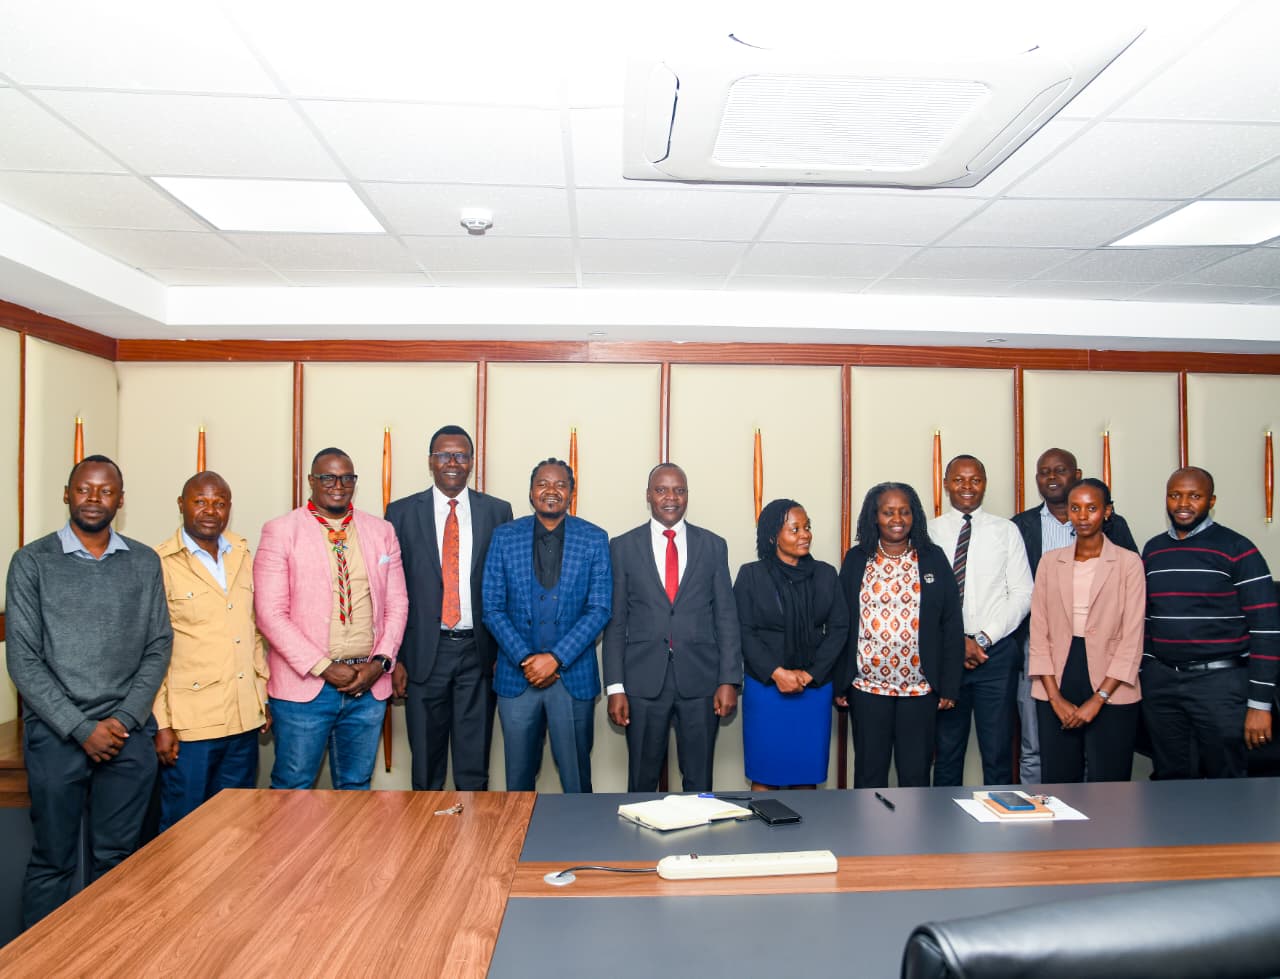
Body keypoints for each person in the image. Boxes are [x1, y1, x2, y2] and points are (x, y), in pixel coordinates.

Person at [5, 455, 172, 927]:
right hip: (57, 737)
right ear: (67, 494)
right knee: (52, 862)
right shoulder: (31, 562)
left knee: (119, 862)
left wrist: (121, 721)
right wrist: (81, 728)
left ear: (120, 499)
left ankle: (107, 961)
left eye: (105, 491)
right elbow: (23, 659)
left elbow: (159, 645)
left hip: (127, 736)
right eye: (84, 489)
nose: (94, 499)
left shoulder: (143, 561)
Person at [253, 447, 408, 790]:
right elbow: (269, 614)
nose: (338, 485)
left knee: (356, 788)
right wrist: (323, 667)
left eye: (347, 477)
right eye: (328, 477)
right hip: (305, 688)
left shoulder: (381, 531)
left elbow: (397, 604)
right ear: (312, 481)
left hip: (367, 687)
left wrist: (381, 663)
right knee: (294, 788)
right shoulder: (281, 531)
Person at [386, 425, 513, 791]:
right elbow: (390, 591)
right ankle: (426, 845)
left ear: (471, 462)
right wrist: (397, 658)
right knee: (426, 764)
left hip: (480, 651)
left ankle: (474, 844)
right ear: (431, 461)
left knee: (474, 764)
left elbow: (507, 586)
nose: (453, 462)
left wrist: (503, 651)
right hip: (425, 652)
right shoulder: (401, 513)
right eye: (444, 455)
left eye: (461, 455)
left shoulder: (497, 511)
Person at [603, 463, 742, 791]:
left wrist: (728, 680)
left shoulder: (713, 545)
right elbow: (616, 621)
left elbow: (726, 617)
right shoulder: (622, 547)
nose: (671, 497)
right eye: (662, 490)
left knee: (699, 780)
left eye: (679, 490)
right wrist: (615, 687)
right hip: (642, 682)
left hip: (701, 682)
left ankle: (698, 844)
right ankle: (636, 843)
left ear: (687, 496)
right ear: (648, 495)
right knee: (641, 779)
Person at [1140, 466, 1279, 779]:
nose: (1183, 503)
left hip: (1220, 684)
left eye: (1194, 496)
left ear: (1211, 501)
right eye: (1175, 495)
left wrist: (1260, 705)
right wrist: (1146, 669)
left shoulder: (1238, 549)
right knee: (1169, 779)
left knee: (1225, 780)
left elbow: (1266, 629)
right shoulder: (1154, 550)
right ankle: (1172, 832)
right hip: (1162, 684)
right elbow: (1146, 617)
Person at [483, 458, 611, 792]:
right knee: (518, 781)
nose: (551, 491)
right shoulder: (504, 537)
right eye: (542, 483)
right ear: (530, 491)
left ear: (571, 492)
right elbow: (492, 608)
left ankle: (581, 844)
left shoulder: (594, 538)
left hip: (573, 678)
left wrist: (555, 658)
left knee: (576, 781)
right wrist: (527, 660)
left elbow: (599, 609)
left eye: (560, 484)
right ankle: (519, 845)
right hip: (516, 678)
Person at [1011, 448, 1138, 783]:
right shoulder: (1050, 562)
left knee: (1108, 783)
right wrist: (1055, 698)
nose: (1083, 516)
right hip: (1056, 675)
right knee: (1058, 780)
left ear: (1106, 512)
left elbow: (1132, 636)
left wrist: (1099, 700)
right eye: (1076, 508)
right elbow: (1039, 633)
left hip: (1112, 681)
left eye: (1092, 508)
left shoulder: (1128, 562)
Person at [153, 471, 269, 830]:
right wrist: (162, 723)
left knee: (237, 829)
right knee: (184, 830)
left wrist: (262, 697)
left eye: (219, 503)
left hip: (242, 719)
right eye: (200, 501)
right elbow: (152, 649)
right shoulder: (159, 563)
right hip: (191, 728)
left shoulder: (243, 554)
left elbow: (256, 634)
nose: (210, 511)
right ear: (181, 505)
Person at [839, 483, 962, 788]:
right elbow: (842, 623)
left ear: (914, 516)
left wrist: (949, 685)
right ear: (874, 517)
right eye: (888, 512)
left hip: (920, 689)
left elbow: (951, 623)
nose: (898, 518)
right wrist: (840, 681)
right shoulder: (857, 559)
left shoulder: (932, 558)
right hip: (868, 687)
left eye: (904, 511)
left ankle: (916, 835)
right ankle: (867, 835)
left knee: (916, 773)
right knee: (869, 771)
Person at [928, 455, 1033, 786]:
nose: (967, 486)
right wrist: (957, 642)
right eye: (959, 479)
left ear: (985, 484)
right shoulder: (929, 532)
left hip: (996, 655)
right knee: (946, 751)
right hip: (946, 656)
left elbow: (1022, 593)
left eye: (975, 479)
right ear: (946, 484)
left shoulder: (1007, 531)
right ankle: (943, 828)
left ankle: (998, 831)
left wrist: (983, 639)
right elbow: (924, 599)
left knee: (998, 751)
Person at [735, 498, 848, 789]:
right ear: (774, 535)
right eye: (794, 529)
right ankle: (762, 835)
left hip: (813, 689)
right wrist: (777, 673)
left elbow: (839, 628)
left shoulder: (826, 574)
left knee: (806, 778)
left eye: (807, 527)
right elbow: (743, 631)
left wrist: (810, 675)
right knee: (765, 776)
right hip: (766, 689)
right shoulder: (751, 575)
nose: (805, 534)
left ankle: (805, 836)